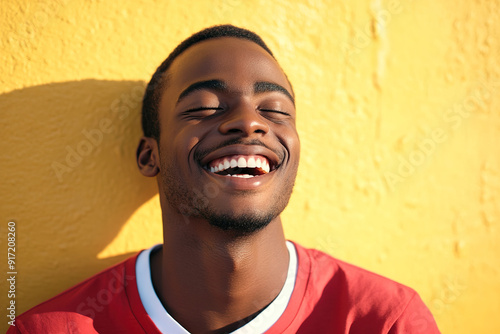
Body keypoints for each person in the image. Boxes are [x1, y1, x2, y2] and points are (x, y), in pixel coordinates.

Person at [7, 25, 440, 334]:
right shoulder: (51, 329)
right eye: (204, 107)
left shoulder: (384, 321)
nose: (249, 123)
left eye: (275, 109)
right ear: (149, 156)